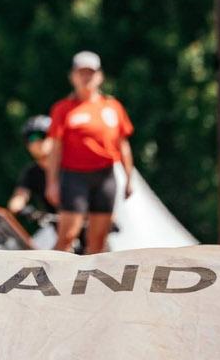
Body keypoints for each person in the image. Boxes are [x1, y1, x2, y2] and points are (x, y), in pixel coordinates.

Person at [44, 51, 135, 254]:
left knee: (98, 240)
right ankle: (56, 272)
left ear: (100, 76)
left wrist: (129, 177)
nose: (86, 78)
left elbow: (123, 144)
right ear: (72, 76)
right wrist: (52, 182)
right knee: (67, 236)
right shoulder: (63, 109)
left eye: (91, 73)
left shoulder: (113, 107)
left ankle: (92, 275)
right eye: (81, 73)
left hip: (105, 176)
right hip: (75, 177)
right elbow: (56, 149)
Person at [7, 115, 56, 238]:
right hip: (56, 228)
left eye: (43, 135)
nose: (38, 141)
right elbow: (19, 197)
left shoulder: (71, 166)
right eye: (32, 137)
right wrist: (19, 207)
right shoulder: (31, 173)